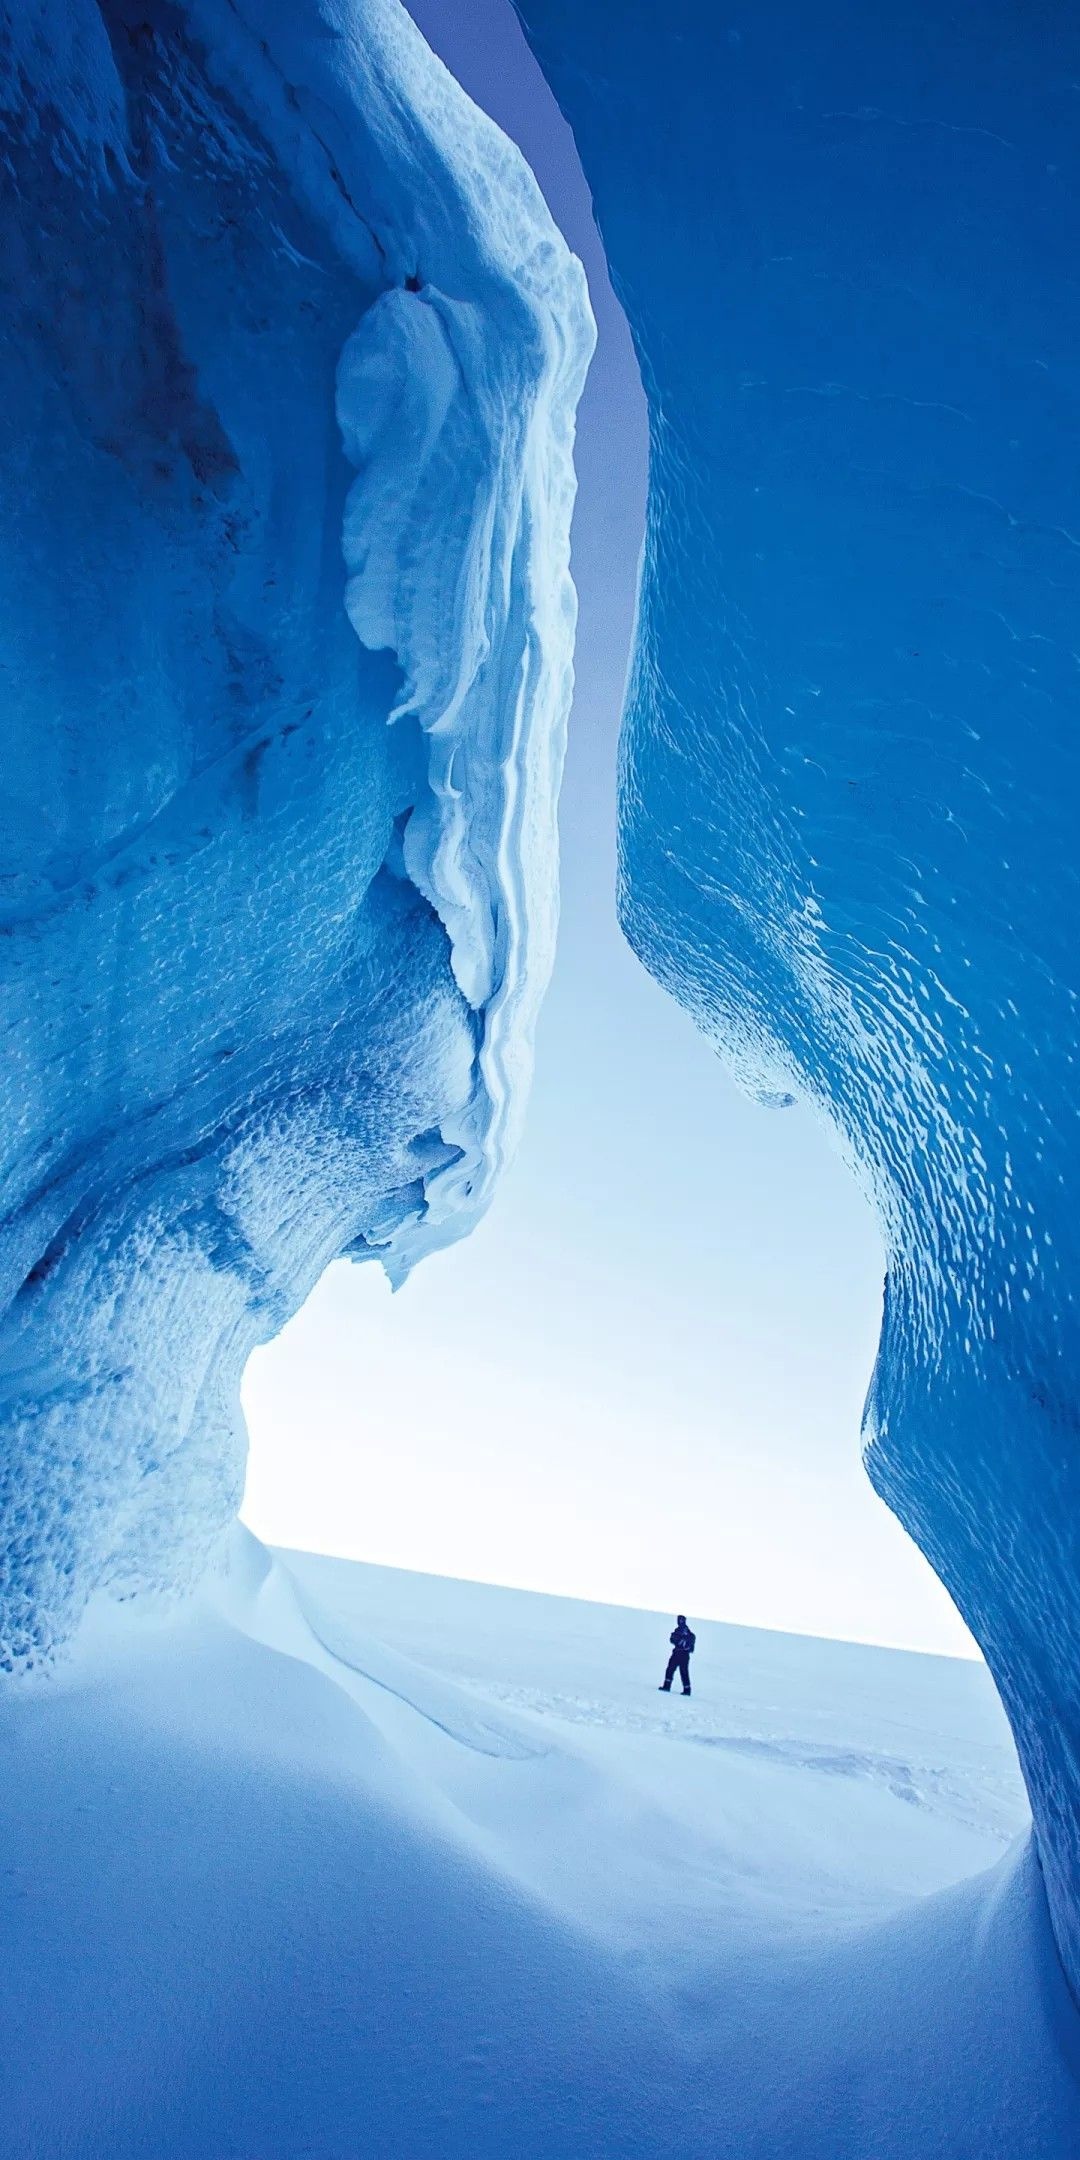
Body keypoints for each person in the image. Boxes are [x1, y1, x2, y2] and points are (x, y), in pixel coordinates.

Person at [659, 1615, 696, 1696]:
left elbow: (691, 1647)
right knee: (670, 1669)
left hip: (684, 1655)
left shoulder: (690, 1634)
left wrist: (686, 1644)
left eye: (681, 1620)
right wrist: (678, 1640)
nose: (680, 1622)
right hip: (676, 1653)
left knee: (683, 1672)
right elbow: (672, 1639)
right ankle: (667, 1686)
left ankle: (687, 1690)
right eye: (679, 1620)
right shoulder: (677, 1631)